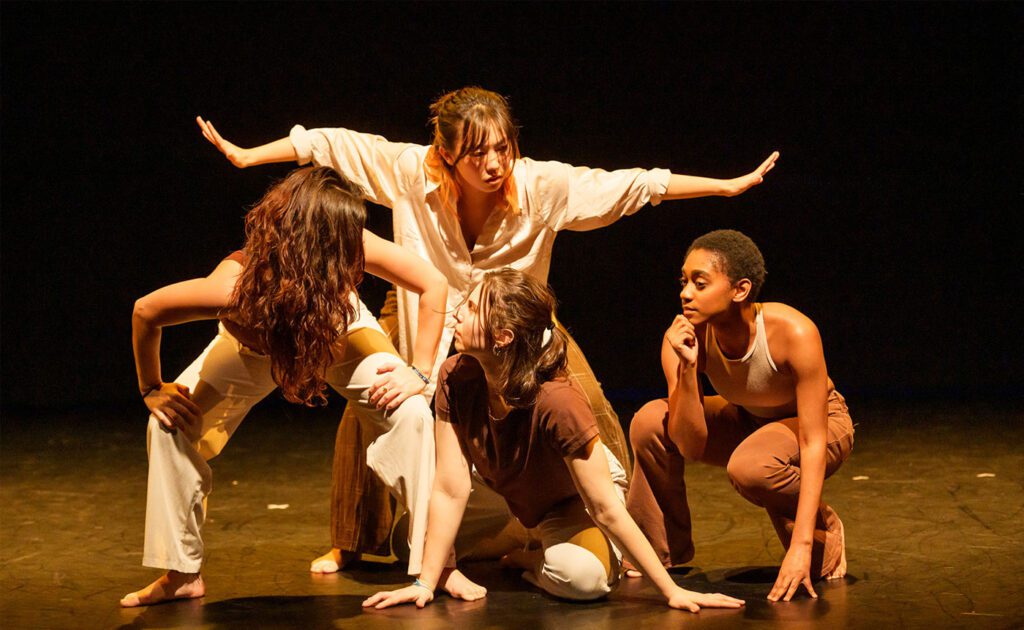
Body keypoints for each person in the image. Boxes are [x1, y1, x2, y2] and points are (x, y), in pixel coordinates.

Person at [196, 86, 779, 573]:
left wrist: (723, 186)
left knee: (588, 403)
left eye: (502, 147)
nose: (494, 163)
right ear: (444, 152)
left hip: (517, 324)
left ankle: (637, 544)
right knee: (370, 395)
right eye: (477, 153)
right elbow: (328, 143)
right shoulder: (407, 171)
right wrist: (249, 156)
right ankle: (352, 540)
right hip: (423, 307)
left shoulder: (542, 186)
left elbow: (633, 185)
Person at [120, 166, 448, 607]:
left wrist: (421, 372)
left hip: (339, 337)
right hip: (251, 354)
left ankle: (437, 565)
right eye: (345, 239)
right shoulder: (233, 288)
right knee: (168, 427)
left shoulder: (347, 241)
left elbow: (434, 284)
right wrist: (150, 389)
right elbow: (146, 311)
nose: (356, 246)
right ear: (314, 243)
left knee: (409, 411)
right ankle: (182, 573)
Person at [362, 268, 746, 612]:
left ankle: (534, 556)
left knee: (582, 581)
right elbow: (449, 486)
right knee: (409, 543)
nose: (459, 312)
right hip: (504, 491)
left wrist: (671, 591)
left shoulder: (556, 401)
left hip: (569, 500)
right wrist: (425, 582)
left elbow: (604, 507)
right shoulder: (455, 375)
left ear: (503, 336)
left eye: (473, 307)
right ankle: (520, 533)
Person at [625, 229, 854, 602]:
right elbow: (691, 444)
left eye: (700, 283)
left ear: (740, 290)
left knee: (751, 466)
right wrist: (686, 369)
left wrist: (801, 543)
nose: (686, 293)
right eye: (684, 282)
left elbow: (813, 440)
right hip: (746, 419)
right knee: (651, 420)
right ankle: (655, 550)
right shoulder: (682, 337)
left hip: (822, 424)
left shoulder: (793, 331)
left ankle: (820, 522)